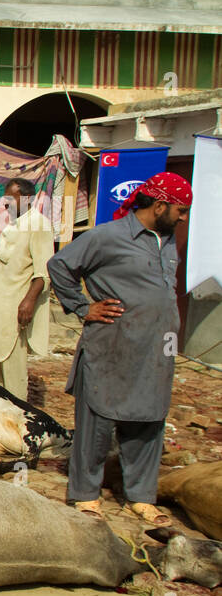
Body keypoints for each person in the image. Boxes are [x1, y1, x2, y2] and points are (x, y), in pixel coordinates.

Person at [47, 172, 191, 526]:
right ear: (159, 206)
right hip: (111, 345)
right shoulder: (107, 237)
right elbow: (60, 265)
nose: (184, 217)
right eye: (180, 210)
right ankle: (86, 494)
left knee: (149, 419)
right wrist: (82, 307)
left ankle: (141, 496)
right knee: (96, 420)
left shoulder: (170, 240)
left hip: (156, 349)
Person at [0, 178, 53, 400]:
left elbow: (43, 272)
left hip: (14, 306)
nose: (6, 204)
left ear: (27, 199)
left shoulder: (39, 224)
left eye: (11, 199)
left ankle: (16, 412)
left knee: (12, 364)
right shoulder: (16, 223)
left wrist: (29, 301)